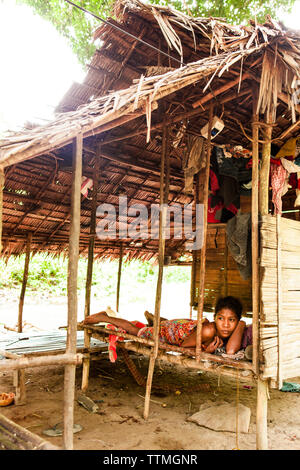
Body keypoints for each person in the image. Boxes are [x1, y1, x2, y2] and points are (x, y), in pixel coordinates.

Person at [82, 296, 252, 355]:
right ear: (214, 318)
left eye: (232, 320)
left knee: (147, 328)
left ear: (238, 322)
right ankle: (105, 317)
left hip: (186, 328)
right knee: (136, 331)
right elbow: (184, 346)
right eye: (221, 318)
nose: (226, 325)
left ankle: (156, 320)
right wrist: (204, 351)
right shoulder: (209, 330)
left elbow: (231, 348)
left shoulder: (231, 329)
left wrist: (242, 324)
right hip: (172, 333)